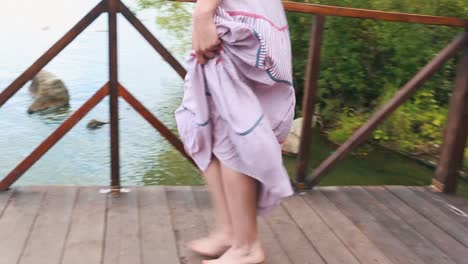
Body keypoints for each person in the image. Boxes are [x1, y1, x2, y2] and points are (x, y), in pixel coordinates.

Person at [175, 0, 295, 263]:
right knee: (209, 126)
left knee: (234, 132)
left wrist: (203, 12)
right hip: (239, 19)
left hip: (239, 24)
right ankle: (230, 232)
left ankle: (246, 246)